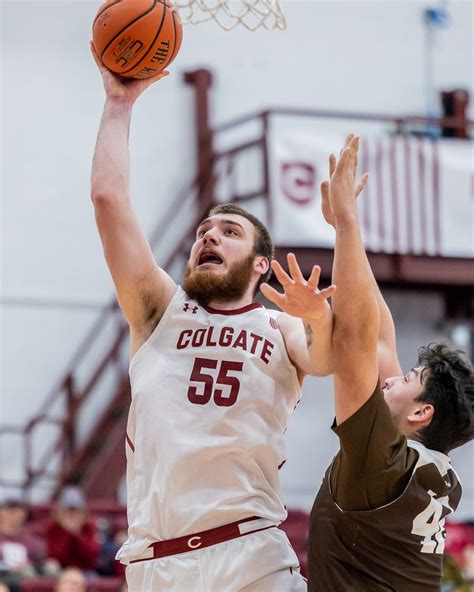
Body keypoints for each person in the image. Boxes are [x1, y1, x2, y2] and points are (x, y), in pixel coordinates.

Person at [90, 45, 336, 591]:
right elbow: (109, 201)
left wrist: (316, 312)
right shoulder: (159, 311)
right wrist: (118, 104)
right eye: (205, 229)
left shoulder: (279, 326)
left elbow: (324, 357)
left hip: (251, 553)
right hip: (157, 563)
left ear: (260, 264)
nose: (209, 235)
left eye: (229, 232)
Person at [287, 135, 472, 591]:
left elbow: (355, 337)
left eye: (408, 379)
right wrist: (345, 230)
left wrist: (347, 222)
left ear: (421, 412)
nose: (392, 379)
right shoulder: (428, 467)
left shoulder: (381, 463)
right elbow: (381, 336)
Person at [46, 486, 99, 573]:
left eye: (76, 511)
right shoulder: (53, 528)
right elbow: (56, 556)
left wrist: (75, 534)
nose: (72, 515)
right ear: (60, 512)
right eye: (68, 511)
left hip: (85, 571)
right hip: (61, 571)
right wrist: (67, 533)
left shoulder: (88, 527)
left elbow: (91, 554)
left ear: (83, 513)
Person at [0, 493, 45, 582]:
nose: (15, 515)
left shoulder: (32, 539)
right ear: (1, 512)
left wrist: (29, 565)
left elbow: (39, 562)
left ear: (25, 514)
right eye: (11, 510)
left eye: (19, 510)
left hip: (27, 577)